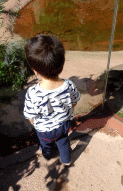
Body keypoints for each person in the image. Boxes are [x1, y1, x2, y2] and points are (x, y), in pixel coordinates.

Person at [23, 34, 81, 166]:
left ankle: (47, 155)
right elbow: (74, 102)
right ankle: (66, 160)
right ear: (62, 64)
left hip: (45, 130)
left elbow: (30, 116)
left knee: (46, 144)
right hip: (63, 125)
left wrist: (34, 123)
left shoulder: (32, 93)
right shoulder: (69, 85)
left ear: (36, 71)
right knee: (63, 142)